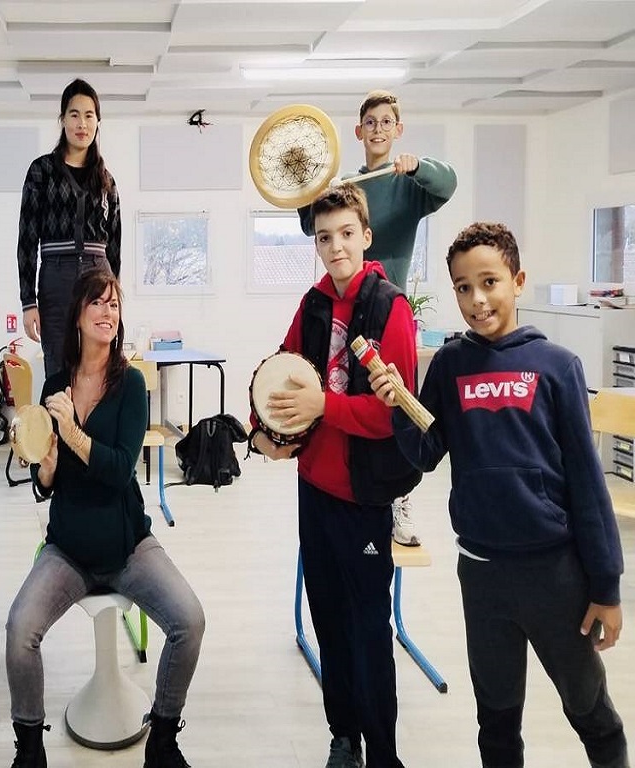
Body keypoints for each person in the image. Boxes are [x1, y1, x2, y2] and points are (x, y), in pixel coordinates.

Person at [369, 222, 628, 768]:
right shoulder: (451, 365)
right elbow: (427, 453)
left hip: (556, 576)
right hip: (483, 576)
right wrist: (399, 409)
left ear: (518, 281)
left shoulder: (557, 365)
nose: (477, 299)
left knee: (591, 713)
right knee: (497, 721)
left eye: (489, 282)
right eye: (463, 288)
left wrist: (606, 585)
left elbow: (588, 482)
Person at [5, 269, 205, 768]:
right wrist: (46, 465)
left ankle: (163, 739)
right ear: (78, 314)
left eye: (113, 304)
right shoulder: (55, 385)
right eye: (96, 302)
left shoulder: (131, 384)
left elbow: (119, 471)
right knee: (19, 630)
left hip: (127, 545)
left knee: (189, 621)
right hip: (68, 548)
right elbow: (47, 484)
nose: (106, 311)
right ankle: (29, 750)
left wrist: (72, 432)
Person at [250, 183, 419, 768]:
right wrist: (263, 429)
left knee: (368, 628)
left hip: (365, 496)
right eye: (325, 238)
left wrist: (325, 405)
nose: (336, 246)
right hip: (314, 491)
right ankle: (343, 736)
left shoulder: (392, 308)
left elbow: (395, 415)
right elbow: (280, 370)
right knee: (327, 617)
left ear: (366, 237)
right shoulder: (313, 304)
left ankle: (385, 753)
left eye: (347, 234)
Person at [299, 89, 458, 548]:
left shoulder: (407, 182)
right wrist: (315, 189)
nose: (379, 129)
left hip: (386, 310)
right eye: (371, 122)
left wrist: (419, 166)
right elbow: (310, 222)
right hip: (347, 306)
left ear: (398, 129)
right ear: (359, 131)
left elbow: (447, 184)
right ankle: (337, 487)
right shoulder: (349, 186)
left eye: (387, 121)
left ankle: (399, 498)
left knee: (395, 409)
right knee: (345, 399)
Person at [17, 78, 122, 378]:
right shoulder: (41, 171)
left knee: (98, 368)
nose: (82, 123)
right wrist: (28, 302)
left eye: (89, 115)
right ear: (62, 119)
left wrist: (113, 299)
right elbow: (27, 239)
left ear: (97, 122)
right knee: (59, 369)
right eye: (74, 114)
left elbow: (115, 246)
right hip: (56, 277)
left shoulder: (106, 180)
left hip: (98, 275)